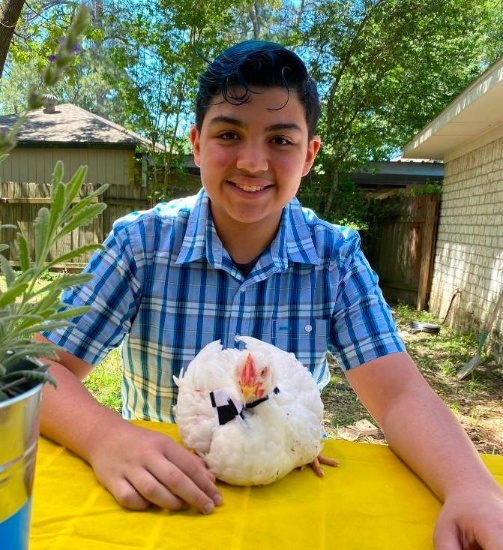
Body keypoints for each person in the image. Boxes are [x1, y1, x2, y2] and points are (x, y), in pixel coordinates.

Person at [39, 41, 503, 547]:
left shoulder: (335, 258)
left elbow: (400, 396)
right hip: (161, 495)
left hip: (290, 503)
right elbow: (35, 370)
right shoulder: (140, 245)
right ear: (197, 144)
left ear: (309, 155)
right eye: (229, 134)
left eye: (280, 140)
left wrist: (469, 485)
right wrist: (106, 437)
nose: (253, 162)